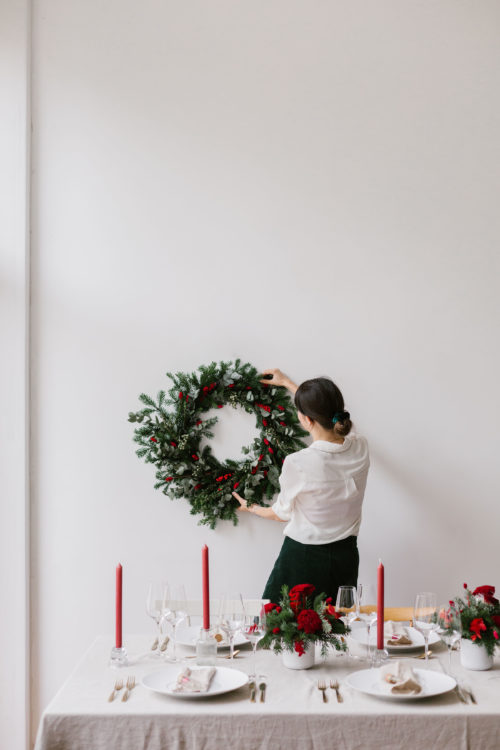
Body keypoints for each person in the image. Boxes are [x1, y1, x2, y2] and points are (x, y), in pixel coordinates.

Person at [232, 368, 370, 605]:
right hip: (345, 558)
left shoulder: (299, 463)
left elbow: (280, 513)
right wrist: (288, 384)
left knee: (276, 627)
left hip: (303, 558)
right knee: (336, 631)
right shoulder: (361, 448)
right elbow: (327, 420)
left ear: (307, 419)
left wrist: (251, 506)